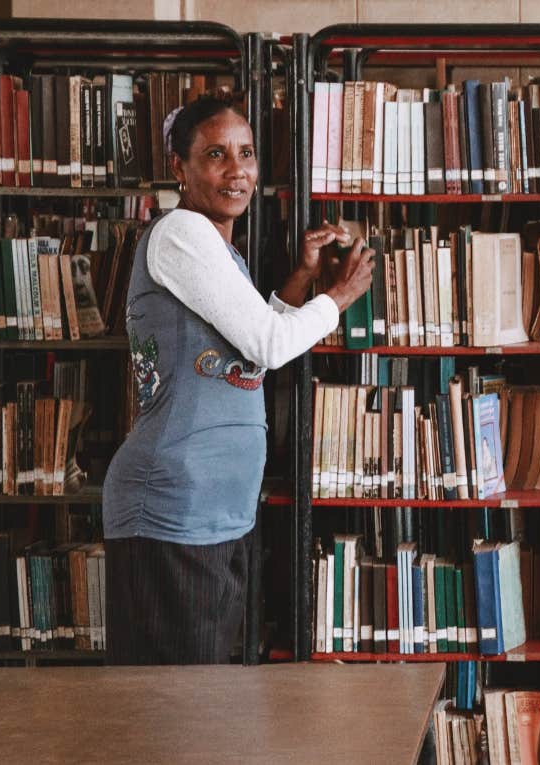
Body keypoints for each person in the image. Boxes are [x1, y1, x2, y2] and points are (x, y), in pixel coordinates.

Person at [102, 94, 373, 665]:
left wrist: (301, 277)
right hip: (172, 507)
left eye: (247, 154)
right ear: (180, 168)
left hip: (217, 510)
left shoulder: (222, 251)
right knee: (176, 718)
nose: (237, 171)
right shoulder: (181, 232)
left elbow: (251, 352)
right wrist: (339, 296)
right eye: (216, 155)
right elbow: (271, 345)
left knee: (207, 712)